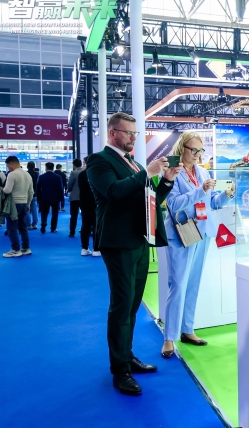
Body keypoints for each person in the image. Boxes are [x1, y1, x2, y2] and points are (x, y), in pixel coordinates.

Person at [87, 112, 181, 396]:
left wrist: (165, 181)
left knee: (132, 304)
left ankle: (126, 356)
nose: (133, 138)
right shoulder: (99, 161)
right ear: (113, 133)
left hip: (139, 240)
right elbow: (113, 192)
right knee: (121, 305)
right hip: (118, 242)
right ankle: (120, 369)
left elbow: (149, 200)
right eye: (128, 133)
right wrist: (147, 173)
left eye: (135, 133)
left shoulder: (135, 164)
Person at [161, 132, 235, 359]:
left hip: (202, 232)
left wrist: (227, 195)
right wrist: (200, 190)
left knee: (193, 283)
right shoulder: (172, 171)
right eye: (193, 150)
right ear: (181, 148)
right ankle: (169, 337)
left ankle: (187, 329)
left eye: (200, 150)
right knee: (178, 285)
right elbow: (174, 204)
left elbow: (212, 203)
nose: (197, 154)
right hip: (181, 233)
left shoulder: (203, 172)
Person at [2, 156, 34, 257]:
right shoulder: (27, 175)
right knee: (23, 227)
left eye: (8, 166)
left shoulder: (12, 174)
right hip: (24, 203)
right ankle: (26, 248)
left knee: (12, 227)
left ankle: (15, 249)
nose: (8, 168)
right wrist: (28, 204)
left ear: (11, 164)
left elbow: (7, 190)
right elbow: (31, 192)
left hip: (13, 204)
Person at [78, 157, 100, 257]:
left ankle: (84, 248)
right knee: (96, 226)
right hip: (96, 203)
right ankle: (96, 249)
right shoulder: (97, 173)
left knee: (85, 226)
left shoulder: (81, 174)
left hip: (84, 203)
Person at [37, 162, 64, 234]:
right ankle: (53, 228)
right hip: (55, 198)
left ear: (46, 168)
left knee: (44, 212)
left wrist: (39, 198)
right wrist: (62, 199)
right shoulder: (58, 177)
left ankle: (43, 223)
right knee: (55, 213)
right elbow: (60, 189)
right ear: (53, 168)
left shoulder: (41, 177)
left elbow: (38, 188)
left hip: (44, 197)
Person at [67, 159, 83, 237]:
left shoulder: (74, 173)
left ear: (74, 165)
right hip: (84, 197)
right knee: (85, 215)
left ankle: (72, 232)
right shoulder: (85, 172)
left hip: (75, 197)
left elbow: (70, 184)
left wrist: (69, 190)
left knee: (73, 216)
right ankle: (84, 230)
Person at [25, 161, 39, 230]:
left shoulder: (26, 174)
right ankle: (35, 224)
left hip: (27, 193)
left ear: (27, 166)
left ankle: (29, 224)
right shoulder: (36, 174)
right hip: (35, 193)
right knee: (34, 210)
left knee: (27, 209)